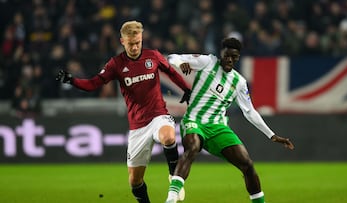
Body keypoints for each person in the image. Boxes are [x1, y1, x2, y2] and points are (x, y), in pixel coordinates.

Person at [56, 20, 188, 203]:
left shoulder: (153, 56)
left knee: (169, 137)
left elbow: (172, 74)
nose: (135, 47)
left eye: (138, 43)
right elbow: (94, 83)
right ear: (122, 41)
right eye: (131, 43)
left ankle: (174, 177)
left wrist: (186, 90)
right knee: (135, 181)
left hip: (159, 115)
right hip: (137, 127)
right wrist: (73, 81)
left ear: (142, 39)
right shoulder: (116, 64)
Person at [165, 37, 295, 203]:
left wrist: (272, 135)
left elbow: (250, 111)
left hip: (218, 127)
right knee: (193, 147)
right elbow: (172, 57)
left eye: (234, 57)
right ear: (221, 53)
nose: (229, 60)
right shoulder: (207, 62)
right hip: (194, 121)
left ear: (238, 58)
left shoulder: (239, 82)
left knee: (247, 164)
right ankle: (171, 198)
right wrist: (180, 63)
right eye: (227, 56)